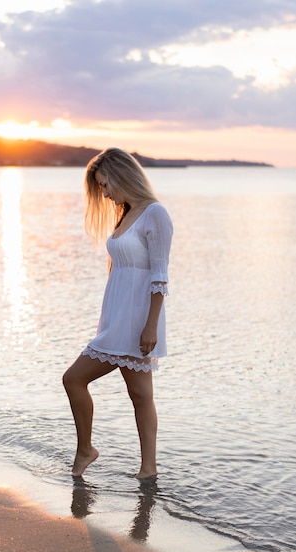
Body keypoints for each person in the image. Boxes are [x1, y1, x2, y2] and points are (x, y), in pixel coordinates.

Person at [63, 147, 173, 479]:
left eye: (105, 184)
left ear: (122, 174)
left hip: (139, 319)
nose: (105, 193)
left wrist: (150, 326)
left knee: (74, 379)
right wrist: (107, 318)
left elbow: (159, 276)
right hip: (117, 317)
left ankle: (93, 451)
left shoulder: (155, 214)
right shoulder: (126, 213)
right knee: (140, 395)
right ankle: (147, 469)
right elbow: (120, 271)